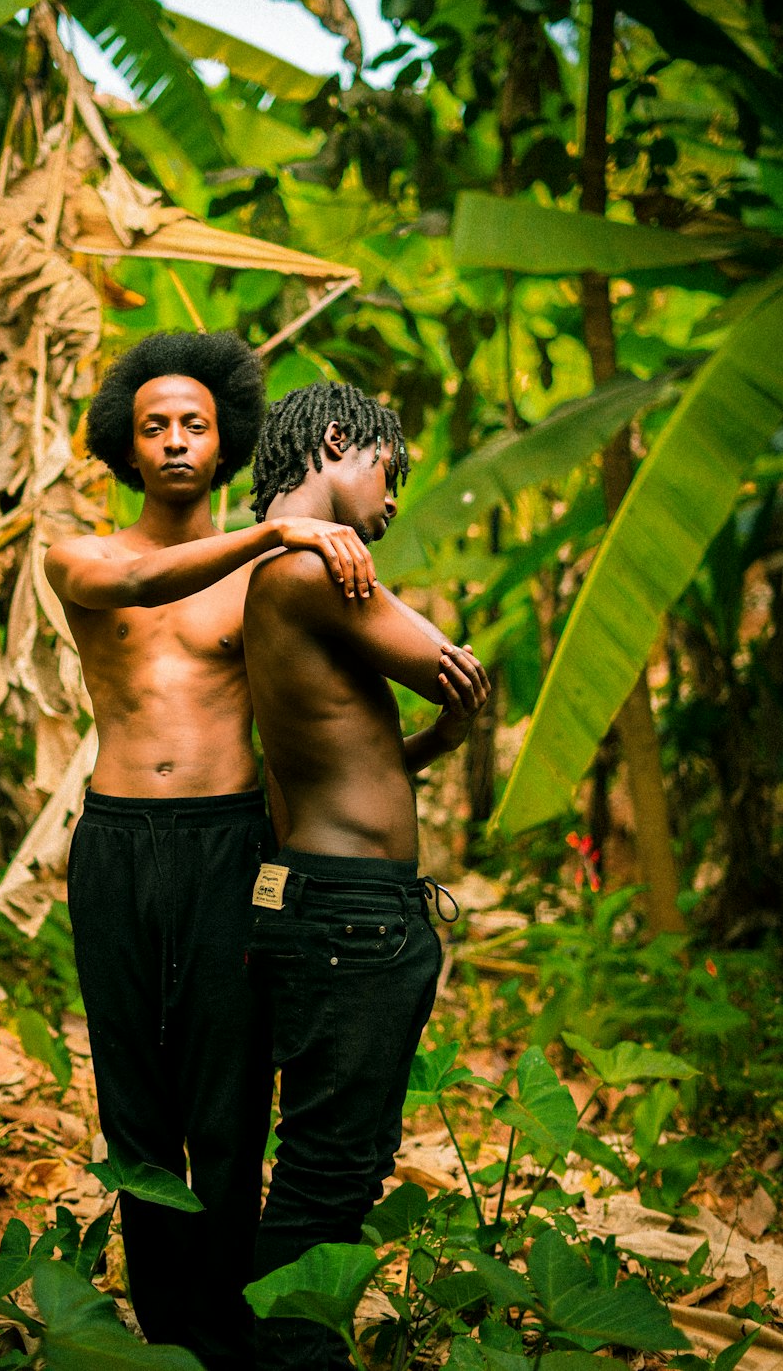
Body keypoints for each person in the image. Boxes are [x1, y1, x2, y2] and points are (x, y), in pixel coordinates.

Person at [44, 331, 378, 1371]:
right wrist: (280, 535)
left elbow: (317, 729)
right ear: (127, 447)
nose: (178, 441)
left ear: (224, 436)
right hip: (115, 849)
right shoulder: (84, 552)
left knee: (229, 1100)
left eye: (195, 423)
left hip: (232, 842)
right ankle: (164, 1331)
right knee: (134, 1099)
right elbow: (139, 588)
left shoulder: (268, 584)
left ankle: (229, 1330)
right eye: (155, 427)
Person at [243, 382, 491, 1371]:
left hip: (327, 899)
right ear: (338, 440)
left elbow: (352, 760)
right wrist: (459, 702)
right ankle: (283, 1357)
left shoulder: (268, 576)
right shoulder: (307, 574)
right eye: (392, 473)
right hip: (351, 916)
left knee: (328, 1163)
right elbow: (451, 662)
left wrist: (438, 743)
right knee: (327, 1174)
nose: (390, 504)